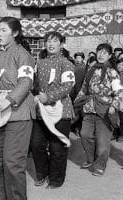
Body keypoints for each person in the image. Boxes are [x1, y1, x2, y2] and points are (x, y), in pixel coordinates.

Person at [0, 16, 35, 200]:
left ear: (15, 33)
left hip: (19, 113)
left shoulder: (23, 55)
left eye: (3, 30)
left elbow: (26, 82)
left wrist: (9, 99)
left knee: (13, 162)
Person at [30, 31, 75, 189]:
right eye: (48, 41)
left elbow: (67, 87)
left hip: (61, 111)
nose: (51, 44)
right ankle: (42, 173)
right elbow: (33, 83)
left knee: (57, 148)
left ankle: (56, 179)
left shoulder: (66, 63)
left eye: (55, 41)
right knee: (36, 145)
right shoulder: (40, 62)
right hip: (41, 112)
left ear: (61, 44)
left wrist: (47, 97)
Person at [75, 43, 123, 176]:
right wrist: (77, 101)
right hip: (89, 108)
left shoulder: (112, 72)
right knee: (84, 135)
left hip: (105, 111)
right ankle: (91, 159)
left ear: (109, 56)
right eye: (99, 52)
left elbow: (119, 91)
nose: (101, 55)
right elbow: (84, 87)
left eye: (105, 53)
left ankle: (100, 165)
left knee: (102, 142)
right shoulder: (91, 69)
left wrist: (114, 105)